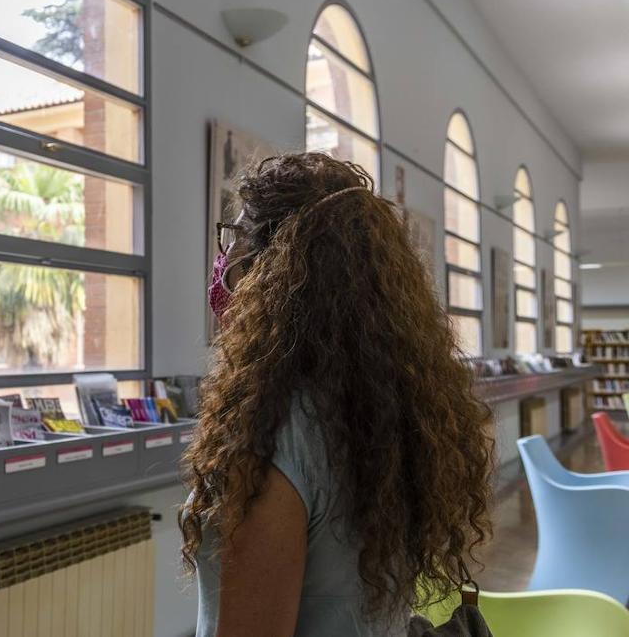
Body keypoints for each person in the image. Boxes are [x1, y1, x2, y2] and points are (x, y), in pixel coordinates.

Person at [184, 153, 493, 637]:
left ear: (272, 270)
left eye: (234, 241)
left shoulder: (271, 438)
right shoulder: (389, 410)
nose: (223, 264)